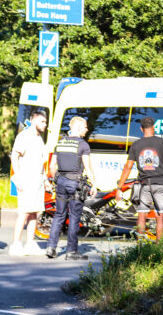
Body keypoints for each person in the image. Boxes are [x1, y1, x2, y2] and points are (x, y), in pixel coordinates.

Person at [46, 116, 97, 260]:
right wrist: (94, 184)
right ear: (79, 127)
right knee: (74, 217)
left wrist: (56, 179)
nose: (87, 130)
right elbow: (88, 167)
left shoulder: (60, 143)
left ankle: (51, 248)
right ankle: (71, 252)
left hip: (60, 182)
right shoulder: (83, 145)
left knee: (59, 215)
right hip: (75, 184)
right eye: (85, 127)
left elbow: (51, 166)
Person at [115, 116, 163, 242]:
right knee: (160, 216)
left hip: (144, 185)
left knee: (142, 215)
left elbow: (128, 167)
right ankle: (159, 248)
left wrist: (119, 187)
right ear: (154, 127)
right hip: (161, 184)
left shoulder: (136, 145)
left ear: (141, 128)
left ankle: (140, 247)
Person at [9, 109, 49, 256]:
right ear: (34, 121)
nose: (45, 125)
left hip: (37, 181)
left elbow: (40, 162)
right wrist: (18, 178)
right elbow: (14, 156)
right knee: (24, 212)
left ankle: (30, 243)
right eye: (42, 121)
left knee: (34, 213)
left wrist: (45, 179)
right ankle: (16, 245)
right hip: (26, 180)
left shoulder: (39, 138)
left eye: (45, 122)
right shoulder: (24, 136)